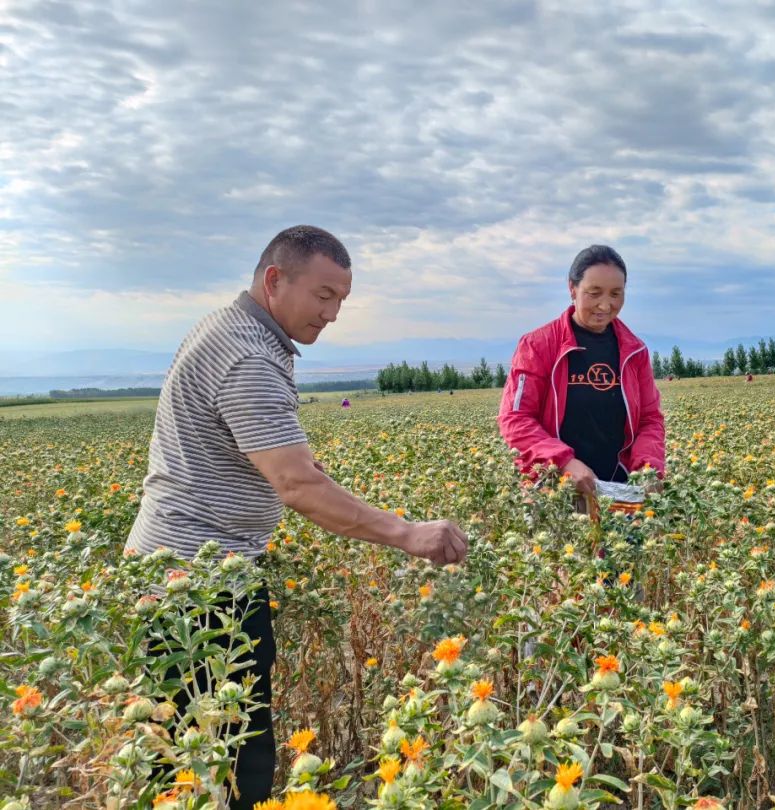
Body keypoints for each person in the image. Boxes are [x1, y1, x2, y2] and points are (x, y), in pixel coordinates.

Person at [125, 225, 468, 809]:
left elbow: (269, 457)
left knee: (183, 756)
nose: (332, 314)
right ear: (275, 280)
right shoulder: (250, 355)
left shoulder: (229, 327)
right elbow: (297, 485)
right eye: (324, 295)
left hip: (178, 571)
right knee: (228, 761)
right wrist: (409, 534)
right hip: (200, 589)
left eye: (341, 300)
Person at [498, 245, 665, 496]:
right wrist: (563, 462)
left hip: (620, 489)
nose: (605, 305)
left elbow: (650, 419)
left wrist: (648, 468)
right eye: (594, 293)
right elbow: (516, 418)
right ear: (572, 289)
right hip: (554, 489)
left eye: (616, 294)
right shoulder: (538, 346)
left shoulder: (635, 351)